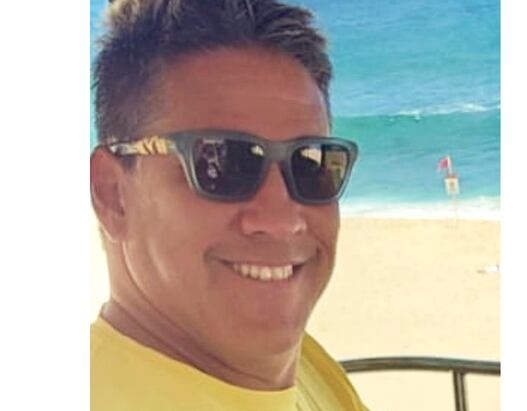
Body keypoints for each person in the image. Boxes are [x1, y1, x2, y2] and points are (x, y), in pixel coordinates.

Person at [89, 0, 367, 409]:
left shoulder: (302, 366)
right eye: (221, 163)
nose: (282, 219)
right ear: (112, 194)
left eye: (311, 163)